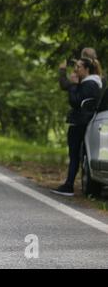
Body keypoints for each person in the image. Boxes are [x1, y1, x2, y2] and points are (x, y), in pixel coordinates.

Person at [53, 57, 103, 196]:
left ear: (87, 69)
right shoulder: (90, 83)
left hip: (80, 123)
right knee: (77, 155)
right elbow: (67, 87)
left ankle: (69, 185)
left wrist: (74, 85)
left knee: (75, 154)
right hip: (82, 122)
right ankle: (73, 184)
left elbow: (75, 101)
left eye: (79, 67)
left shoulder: (89, 84)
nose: (76, 69)